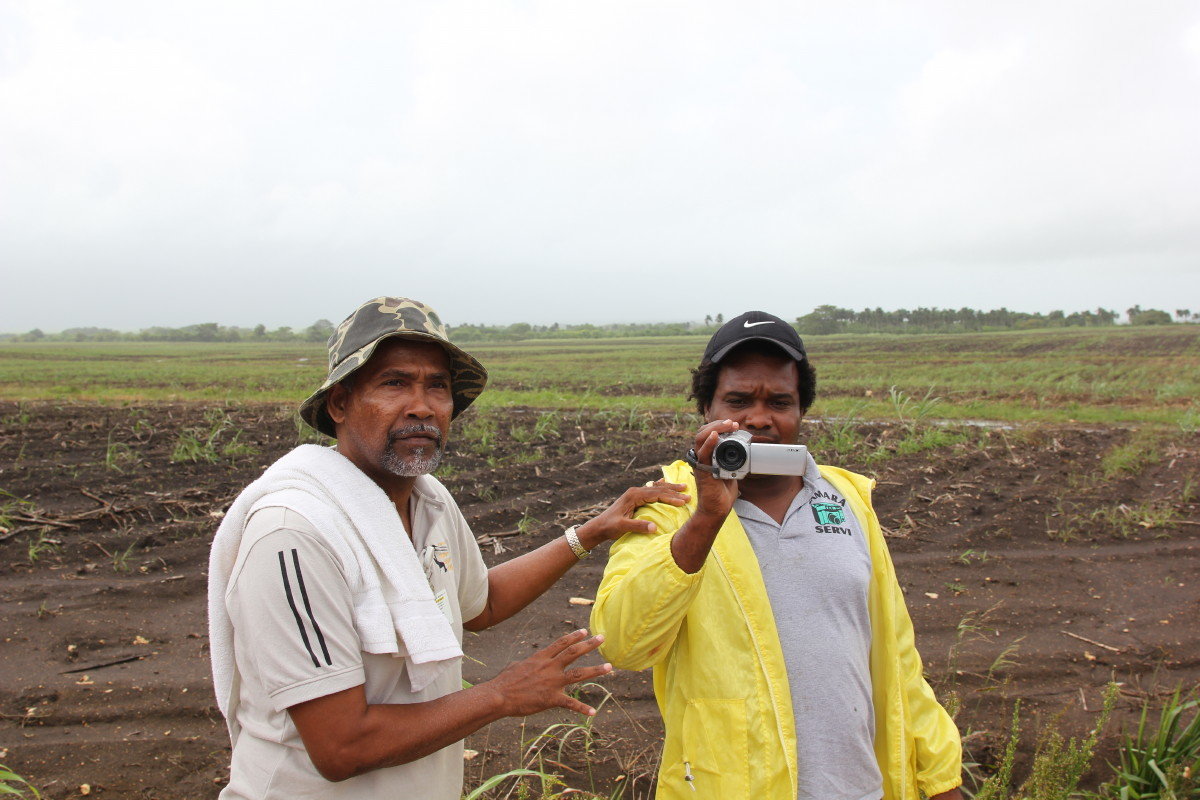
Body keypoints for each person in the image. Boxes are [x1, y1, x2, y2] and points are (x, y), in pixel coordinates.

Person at [207, 296, 688, 800]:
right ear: (339, 403)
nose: (422, 406)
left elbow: (481, 604)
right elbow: (340, 746)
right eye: (394, 383)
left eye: (437, 386)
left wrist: (588, 533)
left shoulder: (427, 501)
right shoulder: (295, 534)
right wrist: (500, 695)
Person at [590, 311, 963, 800]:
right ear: (706, 407)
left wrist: (940, 781)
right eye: (738, 401)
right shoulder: (668, 507)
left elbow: (896, 660)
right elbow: (622, 644)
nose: (759, 419)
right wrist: (706, 520)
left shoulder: (847, 500)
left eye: (779, 402)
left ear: (801, 411)